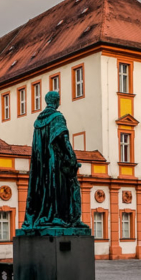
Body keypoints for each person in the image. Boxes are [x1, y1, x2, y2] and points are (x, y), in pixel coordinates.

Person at [21, 91, 87, 231]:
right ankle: (61, 217)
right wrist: (72, 158)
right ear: (57, 101)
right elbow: (63, 140)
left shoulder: (39, 121)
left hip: (42, 165)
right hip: (56, 163)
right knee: (63, 189)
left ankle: (47, 216)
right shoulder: (57, 117)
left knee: (45, 190)